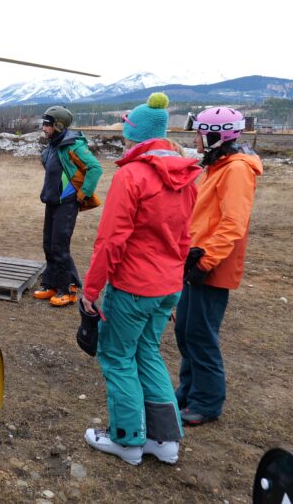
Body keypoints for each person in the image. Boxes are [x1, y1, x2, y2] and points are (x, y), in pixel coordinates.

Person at [80, 92, 202, 466]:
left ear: (135, 134)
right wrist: (177, 289)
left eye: (125, 131)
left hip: (133, 287)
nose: (123, 138)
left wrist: (90, 289)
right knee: (147, 353)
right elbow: (184, 238)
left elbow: (110, 240)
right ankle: (165, 441)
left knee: (117, 357)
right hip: (167, 287)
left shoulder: (132, 175)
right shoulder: (187, 176)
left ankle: (128, 440)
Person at [175, 107, 263, 426]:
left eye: (200, 132)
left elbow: (232, 223)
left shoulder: (236, 169)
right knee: (185, 331)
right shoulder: (217, 165)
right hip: (196, 260)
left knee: (200, 336)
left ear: (217, 134)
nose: (195, 138)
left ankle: (207, 403)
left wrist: (206, 261)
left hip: (210, 266)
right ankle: (188, 392)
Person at [32, 106, 103, 307]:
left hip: (67, 204)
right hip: (52, 202)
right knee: (48, 244)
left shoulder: (73, 146)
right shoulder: (52, 146)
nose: (43, 128)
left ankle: (69, 288)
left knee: (60, 247)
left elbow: (95, 168)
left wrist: (82, 194)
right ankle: (51, 284)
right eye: (43, 124)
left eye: (47, 124)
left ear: (58, 125)